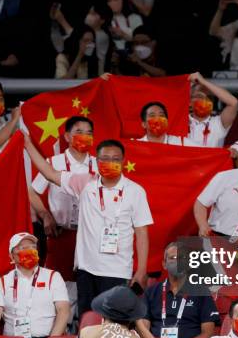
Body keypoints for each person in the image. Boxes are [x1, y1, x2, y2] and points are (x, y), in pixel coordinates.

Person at [24, 136, 153, 318]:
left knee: (113, 322)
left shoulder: (135, 191)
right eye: (104, 159)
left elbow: (142, 233)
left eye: (115, 159)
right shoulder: (85, 183)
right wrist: (28, 144)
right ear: (96, 161)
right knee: (87, 321)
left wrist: (141, 271)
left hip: (118, 270)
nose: (110, 163)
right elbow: (50, 173)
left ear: (123, 161)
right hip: (87, 269)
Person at [30, 116, 98, 283]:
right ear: (67, 137)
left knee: (87, 285)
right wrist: (45, 214)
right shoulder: (53, 162)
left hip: (91, 236)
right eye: (79, 132)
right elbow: (31, 191)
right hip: (61, 235)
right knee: (58, 285)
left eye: (89, 133)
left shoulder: (99, 165)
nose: (85, 136)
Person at [0, 232, 71, 338]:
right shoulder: (3, 282)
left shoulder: (53, 277)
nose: (28, 251)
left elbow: (64, 311)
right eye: (22, 248)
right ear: (11, 255)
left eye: (32, 247)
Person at [141, 242, 220, 338]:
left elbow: (208, 332)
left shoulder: (201, 292)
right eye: (172, 258)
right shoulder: (151, 292)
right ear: (164, 264)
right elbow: (143, 328)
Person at [186, 71, 238, 148]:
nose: (204, 100)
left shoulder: (218, 123)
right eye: (199, 96)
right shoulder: (180, 121)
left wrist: (203, 81)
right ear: (189, 102)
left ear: (212, 104)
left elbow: (234, 102)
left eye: (208, 98)